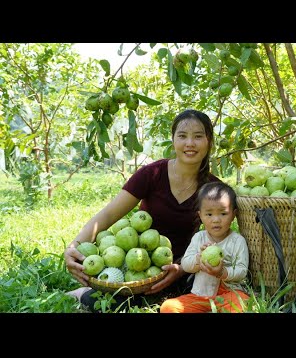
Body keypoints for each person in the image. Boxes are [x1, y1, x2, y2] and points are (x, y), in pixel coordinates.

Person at [64, 109, 221, 311]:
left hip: (182, 266)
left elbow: (218, 237)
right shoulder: (152, 173)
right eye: (182, 136)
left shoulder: (213, 189)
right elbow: (109, 214)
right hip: (138, 263)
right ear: (173, 140)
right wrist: (74, 246)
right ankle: (85, 295)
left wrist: (182, 268)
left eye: (198, 136)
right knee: (115, 304)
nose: (189, 143)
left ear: (209, 142)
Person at [160, 181, 250, 313]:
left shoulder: (238, 241)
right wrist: (198, 259)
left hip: (229, 295)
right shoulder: (199, 238)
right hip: (200, 296)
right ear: (200, 215)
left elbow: (242, 271)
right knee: (168, 307)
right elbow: (185, 264)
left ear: (233, 215)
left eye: (223, 213)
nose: (216, 220)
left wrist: (222, 273)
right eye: (209, 214)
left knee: (242, 304)